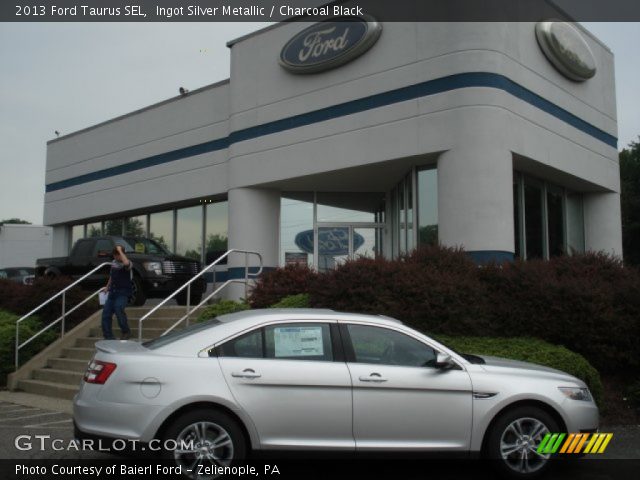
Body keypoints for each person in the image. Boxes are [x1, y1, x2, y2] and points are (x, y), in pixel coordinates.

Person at [100, 244, 133, 340]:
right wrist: (107, 287)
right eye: (114, 255)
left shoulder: (128, 263)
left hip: (123, 292)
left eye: (117, 254)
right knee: (106, 314)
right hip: (112, 292)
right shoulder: (113, 263)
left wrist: (120, 251)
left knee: (119, 308)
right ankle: (108, 336)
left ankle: (126, 331)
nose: (115, 256)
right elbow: (112, 276)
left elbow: (126, 264)